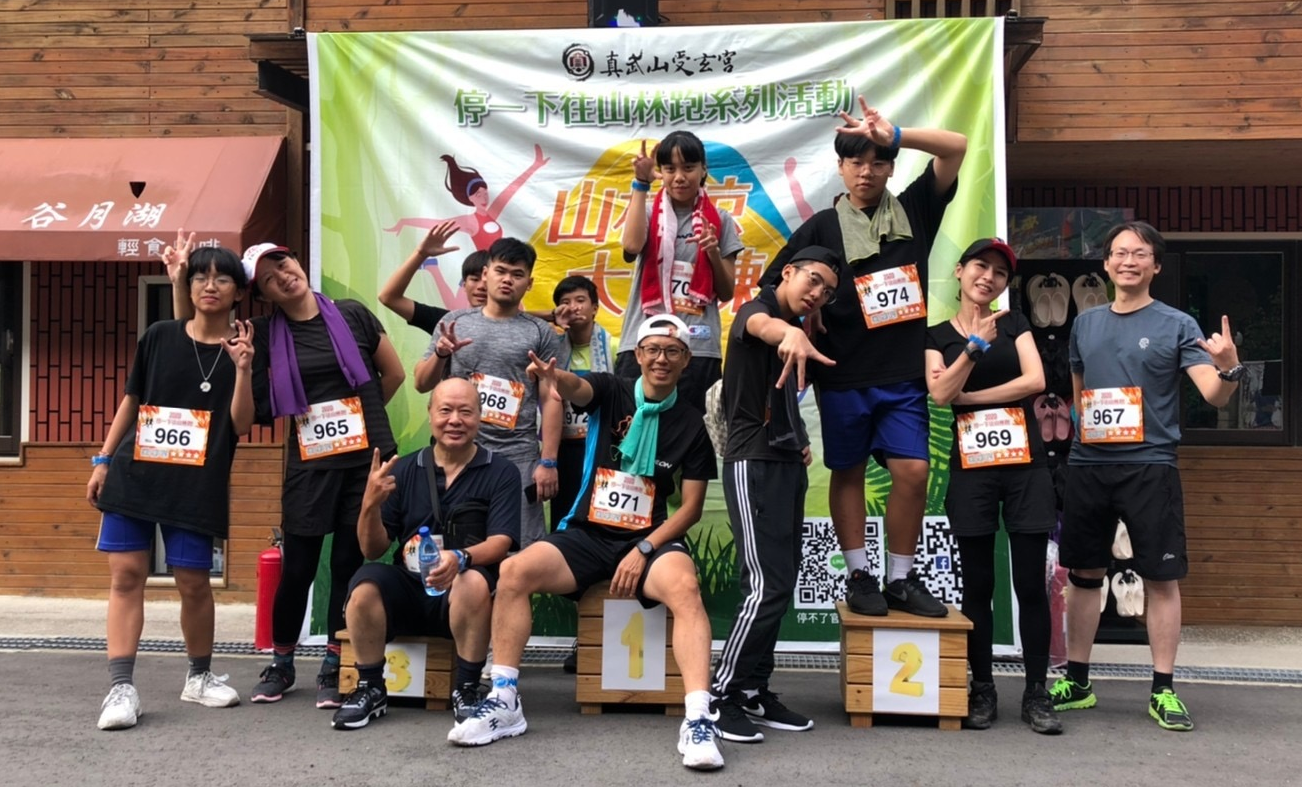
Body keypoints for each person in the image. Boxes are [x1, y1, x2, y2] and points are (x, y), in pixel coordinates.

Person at [448, 315, 725, 771]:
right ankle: (504, 698)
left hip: (648, 539)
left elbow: (690, 508)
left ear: (686, 361)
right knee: (514, 571)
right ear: (638, 356)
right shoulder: (613, 389)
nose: (661, 359)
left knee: (686, 588)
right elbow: (577, 388)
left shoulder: (692, 423)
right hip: (588, 533)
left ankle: (698, 718)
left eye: (672, 351)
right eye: (653, 349)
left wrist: (644, 548)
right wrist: (554, 377)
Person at [763, 96, 967, 618]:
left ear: (891, 167)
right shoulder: (821, 228)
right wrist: (805, 314)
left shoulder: (915, 209)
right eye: (855, 161)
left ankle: (900, 578)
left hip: (903, 375)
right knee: (848, 471)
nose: (866, 171)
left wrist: (895, 134)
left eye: (878, 162)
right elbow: (775, 285)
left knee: (913, 471)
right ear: (840, 167)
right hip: (843, 373)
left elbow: (956, 147)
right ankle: (859, 575)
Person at [1052, 221, 1242, 732]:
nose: (1128, 261)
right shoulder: (1085, 324)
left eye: (1139, 253)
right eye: (1119, 253)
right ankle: (1077, 680)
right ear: (1106, 264)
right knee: (1084, 575)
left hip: (1150, 465)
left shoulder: (1177, 324)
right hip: (1089, 466)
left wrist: (1229, 368)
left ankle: (1163, 689)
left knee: (1161, 577)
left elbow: (1213, 394)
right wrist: (1081, 442)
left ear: (1155, 265)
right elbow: (1080, 391)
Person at [88, 243, 255, 730]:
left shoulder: (245, 347)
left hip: (196, 483)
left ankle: (198, 677)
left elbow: (241, 424)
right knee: (126, 577)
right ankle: (121, 688)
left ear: (238, 292)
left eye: (221, 278)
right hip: (135, 473)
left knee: (194, 583)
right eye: (199, 277)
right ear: (188, 285)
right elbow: (132, 400)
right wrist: (103, 459)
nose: (209, 286)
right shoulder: (160, 335)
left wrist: (244, 369)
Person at [234, 243, 406, 709]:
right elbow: (250, 414)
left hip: (364, 462)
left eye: (284, 264)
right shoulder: (264, 335)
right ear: (264, 295)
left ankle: (334, 663)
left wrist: (360, 422)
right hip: (309, 466)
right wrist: (243, 367)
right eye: (268, 279)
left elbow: (393, 374)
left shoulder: (352, 314)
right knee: (298, 568)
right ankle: (282, 663)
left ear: (298, 263)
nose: (282, 276)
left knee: (348, 565)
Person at [923, 238, 1061, 735]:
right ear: (960, 271)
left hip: (1026, 467)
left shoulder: (1015, 322)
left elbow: (1034, 380)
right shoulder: (936, 335)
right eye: (981, 266)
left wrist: (973, 396)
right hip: (972, 469)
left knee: (1030, 585)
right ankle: (982, 688)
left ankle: (1036, 693)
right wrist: (973, 348)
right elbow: (941, 393)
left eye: (1000, 273)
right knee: (977, 585)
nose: (989, 277)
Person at [331, 378, 521, 730]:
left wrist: (460, 557)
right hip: (409, 584)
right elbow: (372, 548)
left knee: (472, 581)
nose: (455, 420)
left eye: (466, 412)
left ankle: (467, 687)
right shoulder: (404, 469)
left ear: (480, 417)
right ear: (431, 413)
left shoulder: (502, 471)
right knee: (365, 585)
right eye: (446, 410)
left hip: (462, 594)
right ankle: (371, 687)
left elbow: (501, 541)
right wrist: (369, 505)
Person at [710, 247, 840, 743]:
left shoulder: (798, 322)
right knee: (764, 585)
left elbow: (777, 392)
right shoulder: (758, 311)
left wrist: (799, 440)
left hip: (785, 462)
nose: (818, 293)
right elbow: (763, 327)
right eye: (813, 280)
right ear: (788, 272)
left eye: (827, 290)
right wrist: (791, 333)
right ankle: (721, 696)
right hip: (753, 463)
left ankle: (752, 690)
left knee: (781, 585)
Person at [413, 237, 562, 549]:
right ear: (485, 274)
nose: (508, 280)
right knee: (455, 544)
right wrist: (441, 354)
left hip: (519, 456)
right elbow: (422, 383)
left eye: (517, 274)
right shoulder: (453, 323)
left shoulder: (540, 332)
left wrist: (548, 462)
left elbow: (551, 398)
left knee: (519, 552)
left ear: (529, 283)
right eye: (500, 271)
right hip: (458, 454)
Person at [616, 131, 743, 410]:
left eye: (688, 167)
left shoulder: (720, 221)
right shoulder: (648, 214)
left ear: (703, 169)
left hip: (697, 348)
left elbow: (726, 291)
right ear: (660, 172)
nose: (679, 177)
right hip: (643, 343)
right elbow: (632, 246)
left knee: (693, 430)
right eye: (670, 169)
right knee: (632, 428)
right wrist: (640, 184)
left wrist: (712, 251)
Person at [385, 146, 549, 251]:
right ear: (469, 197)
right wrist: (405, 222)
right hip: (483, 272)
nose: (484, 197)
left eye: (485, 192)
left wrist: (535, 166)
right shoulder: (470, 221)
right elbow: (435, 223)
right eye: (478, 194)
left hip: (498, 269)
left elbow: (511, 190)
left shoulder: (492, 212)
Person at [378, 220, 489, 327]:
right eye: (475, 279)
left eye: (487, 281)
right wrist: (420, 254)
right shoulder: (446, 323)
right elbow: (389, 298)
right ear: (464, 285)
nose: (481, 286)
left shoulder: (502, 327)